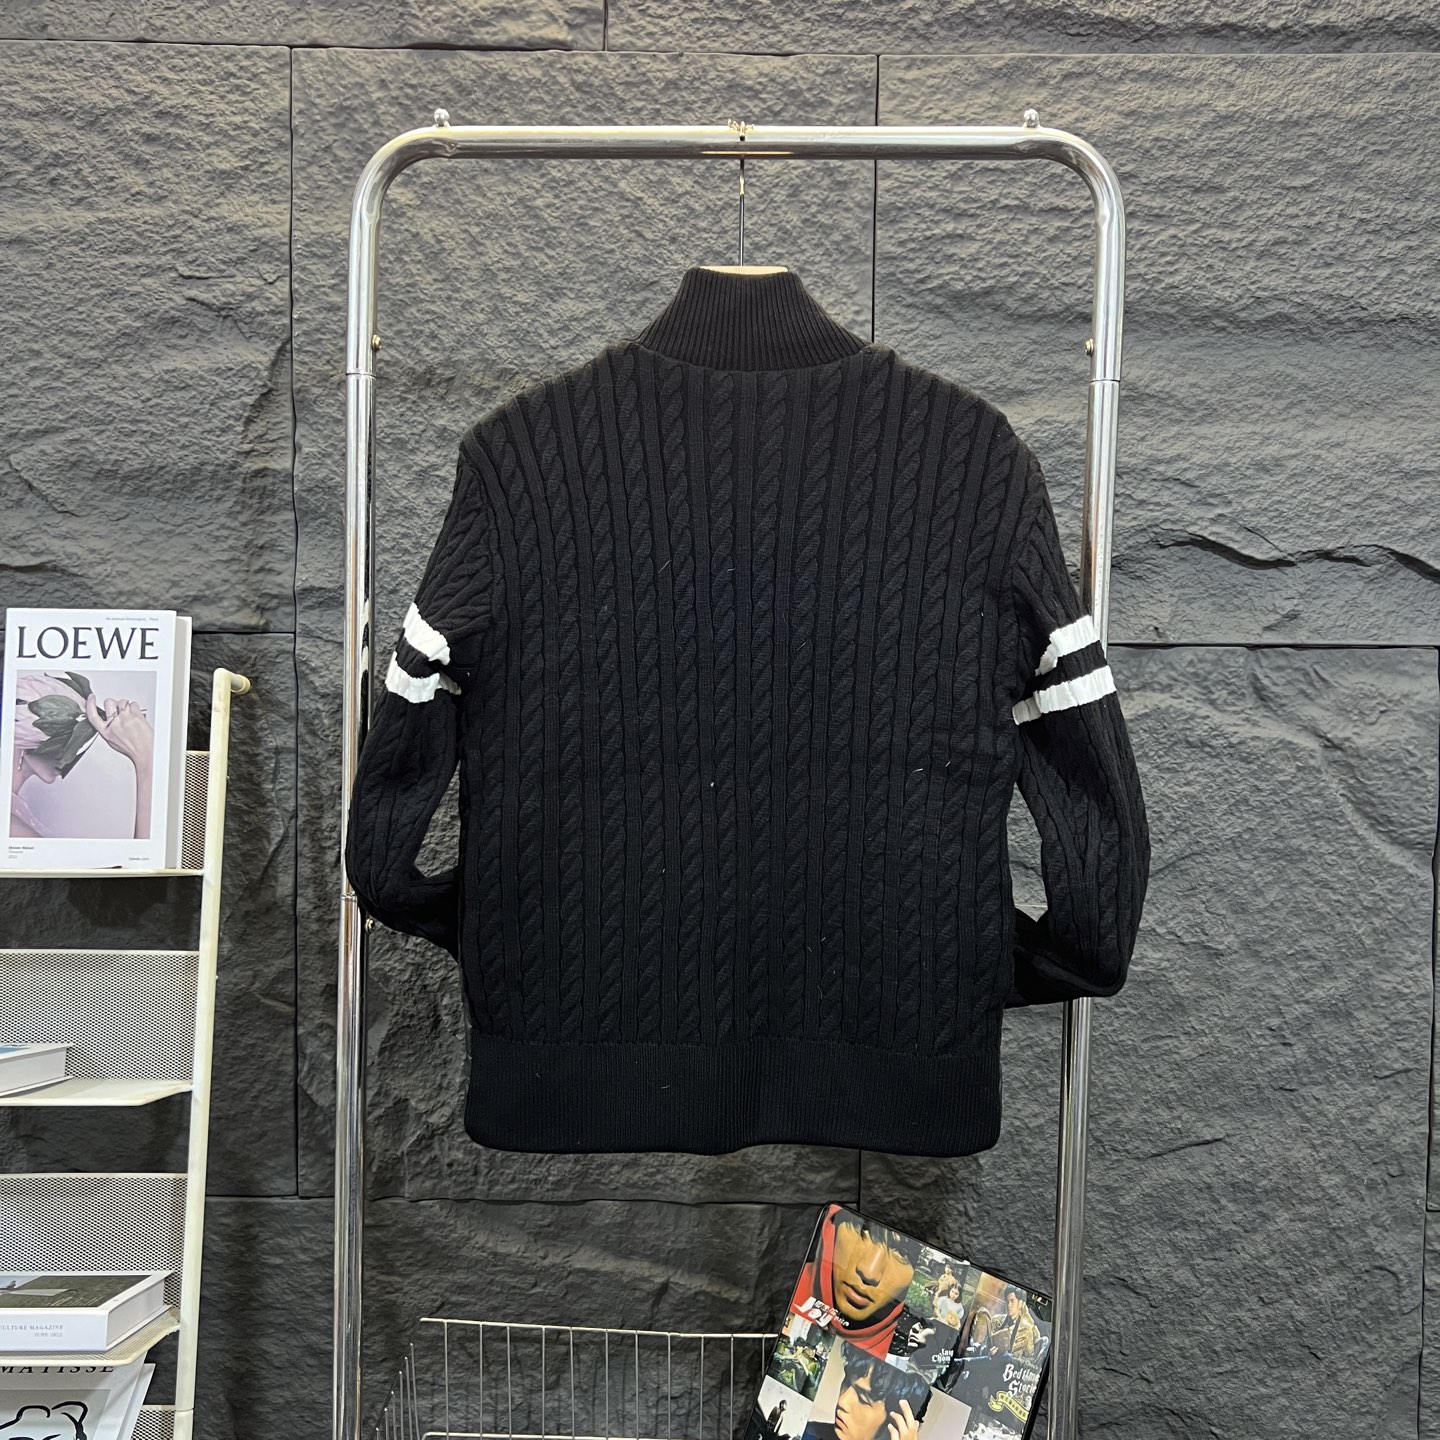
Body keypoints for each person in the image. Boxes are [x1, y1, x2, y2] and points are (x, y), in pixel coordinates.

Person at [9, 673, 155, 841]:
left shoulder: (15, 813)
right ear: (21, 735)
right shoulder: (12, 826)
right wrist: (146, 758)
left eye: (79, 739)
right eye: (64, 737)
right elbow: (145, 858)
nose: (72, 754)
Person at [790, 1209, 917, 1356]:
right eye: (863, 1229)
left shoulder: (903, 1354)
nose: (869, 1272)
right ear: (831, 1228)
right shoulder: (783, 1286)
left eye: (903, 1252)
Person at [801, 1344, 930, 1440]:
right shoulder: (808, 1432)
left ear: (896, 1424)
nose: (842, 1401)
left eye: (863, 1399)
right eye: (847, 1382)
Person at [988, 1287, 1041, 1362]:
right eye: (1007, 1301)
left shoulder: (1027, 1328)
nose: (1009, 1305)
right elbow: (985, 1346)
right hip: (992, 1362)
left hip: (1010, 1367)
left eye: (1012, 1301)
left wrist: (1012, 1359)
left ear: (1020, 1303)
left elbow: (1030, 1360)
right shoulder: (996, 1321)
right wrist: (988, 1352)